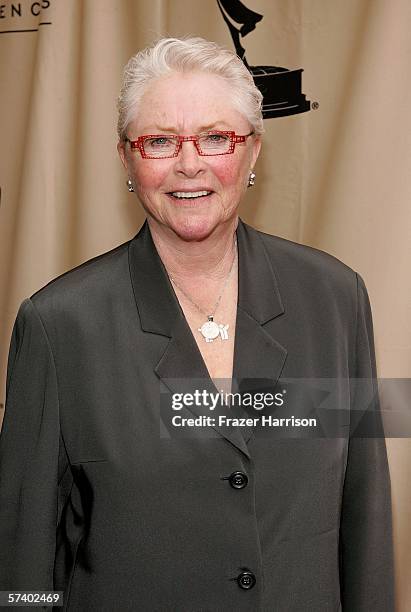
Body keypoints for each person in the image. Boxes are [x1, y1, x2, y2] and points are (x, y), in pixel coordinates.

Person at [0, 36, 394, 611]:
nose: (190, 164)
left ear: (253, 151)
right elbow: (23, 568)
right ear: (126, 157)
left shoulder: (335, 300)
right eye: (159, 141)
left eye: (216, 138)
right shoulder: (60, 327)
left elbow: (366, 528)